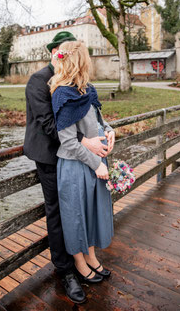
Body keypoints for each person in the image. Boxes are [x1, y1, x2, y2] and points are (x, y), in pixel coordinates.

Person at [24, 31, 109, 304]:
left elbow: (93, 115)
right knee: (59, 215)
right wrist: (87, 144)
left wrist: (104, 134)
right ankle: (66, 271)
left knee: (80, 210)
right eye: (65, 49)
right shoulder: (39, 81)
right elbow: (50, 125)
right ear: (55, 51)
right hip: (50, 156)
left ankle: (86, 257)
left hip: (76, 155)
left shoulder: (80, 82)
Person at [49, 40, 115, 299]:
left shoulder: (88, 89)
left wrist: (109, 131)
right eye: (87, 58)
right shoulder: (62, 93)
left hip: (94, 163)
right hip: (78, 165)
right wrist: (97, 163)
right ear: (80, 61)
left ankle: (91, 255)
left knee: (90, 212)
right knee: (75, 214)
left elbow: (99, 120)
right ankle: (78, 260)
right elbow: (67, 141)